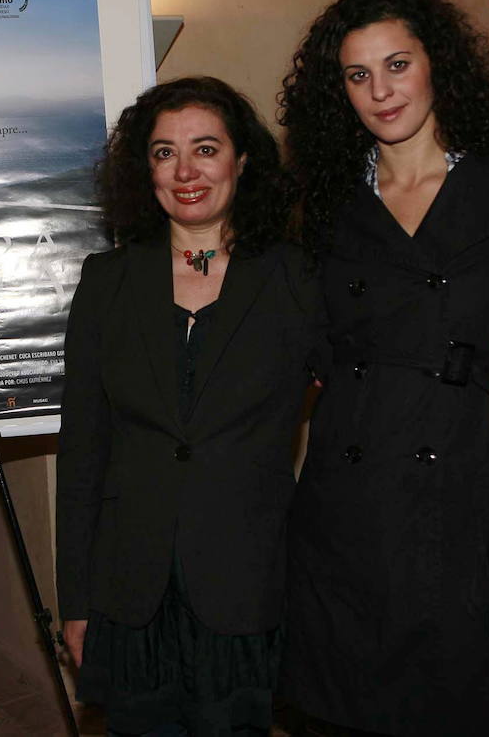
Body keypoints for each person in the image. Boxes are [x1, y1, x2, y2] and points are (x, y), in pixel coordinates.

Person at [277, 0, 489, 735]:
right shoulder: (321, 206)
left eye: (397, 64)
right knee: (352, 703)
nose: (381, 92)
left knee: (460, 703)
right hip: (351, 496)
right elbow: (300, 343)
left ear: (437, 65)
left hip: (468, 482)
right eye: (359, 75)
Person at [56, 76, 319, 737]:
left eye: (205, 148)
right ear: (144, 169)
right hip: (131, 586)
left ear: (242, 160)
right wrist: (77, 600)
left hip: (249, 579)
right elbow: (84, 451)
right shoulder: (106, 283)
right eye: (164, 153)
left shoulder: (296, 279)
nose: (186, 171)